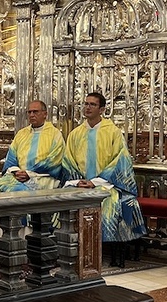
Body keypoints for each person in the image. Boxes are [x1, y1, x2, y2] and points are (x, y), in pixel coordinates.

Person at [62, 92, 146, 246]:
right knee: (63, 201)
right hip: (80, 184)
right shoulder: (75, 134)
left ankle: (99, 246)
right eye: (86, 104)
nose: (88, 107)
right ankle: (71, 244)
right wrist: (78, 181)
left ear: (102, 109)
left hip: (106, 184)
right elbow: (69, 161)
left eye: (92, 104)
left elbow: (120, 160)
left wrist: (95, 182)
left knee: (108, 203)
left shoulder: (113, 132)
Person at [0, 100, 64, 192]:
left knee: (17, 191)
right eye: (29, 112)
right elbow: (11, 157)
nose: (31, 115)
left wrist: (29, 173)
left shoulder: (55, 134)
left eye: (35, 112)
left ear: (45, 114)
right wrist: (16, 171)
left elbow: (54, 161)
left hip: (42, 177)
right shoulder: (21, 133)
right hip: (18, 176)